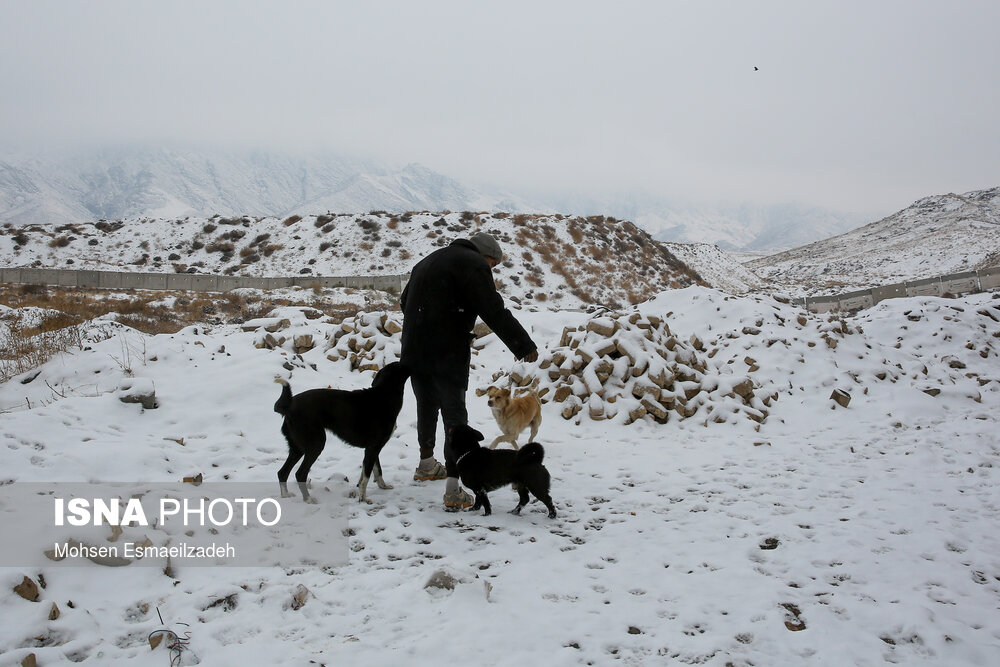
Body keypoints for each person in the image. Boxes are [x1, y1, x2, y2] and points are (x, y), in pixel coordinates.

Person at [400, 232, 539, 510]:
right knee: (455, 417)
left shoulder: (427, 261)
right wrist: (523, 344)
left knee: (426, 404)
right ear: (485, 256)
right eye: (493, 265)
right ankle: (453, 490)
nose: (491, 271)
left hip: (413, 349)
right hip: (447, 351)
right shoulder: (472, 263)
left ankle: (426, 464)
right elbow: (492, 309)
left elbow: (405, 302)